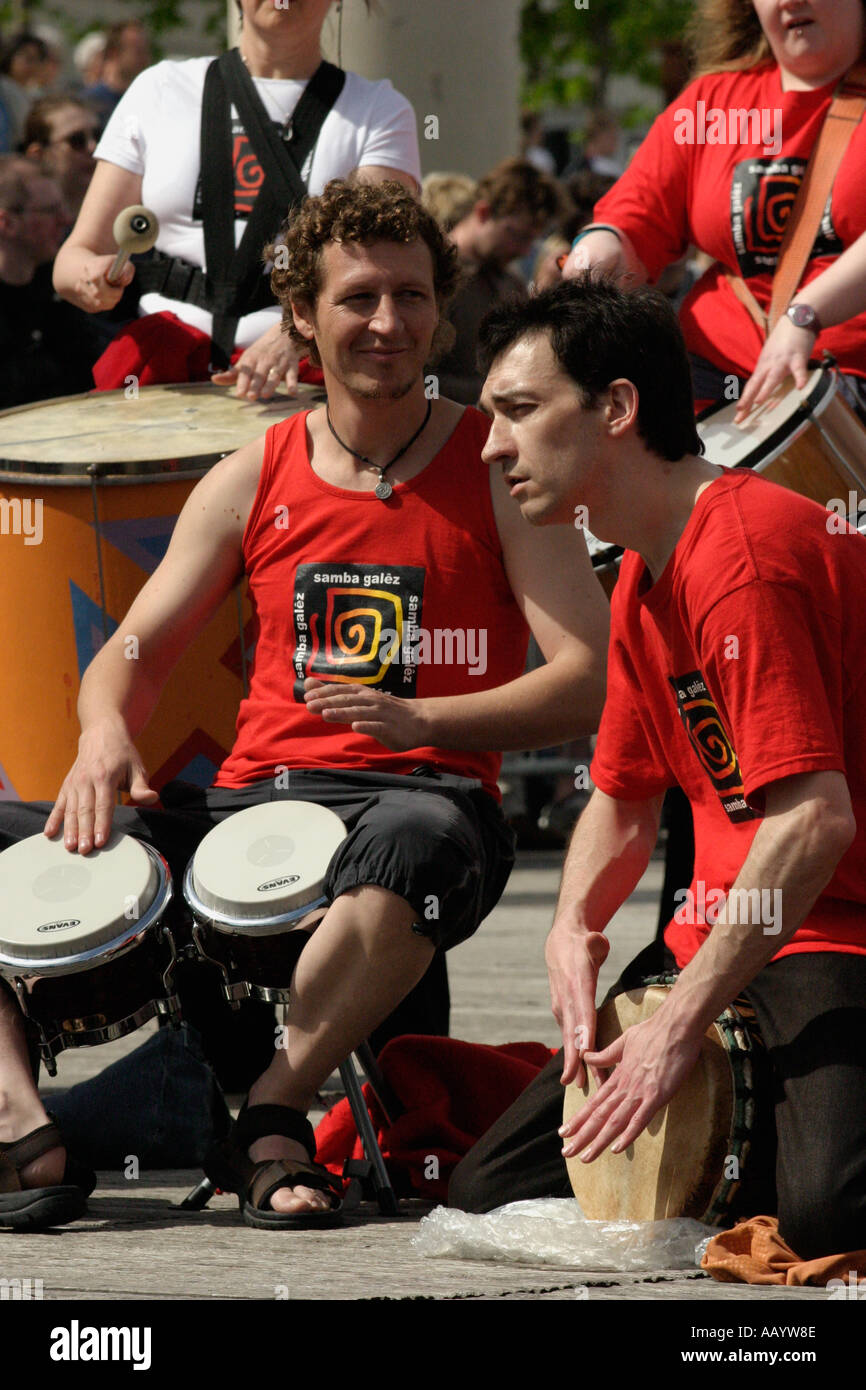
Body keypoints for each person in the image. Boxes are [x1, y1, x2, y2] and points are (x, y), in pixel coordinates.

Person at [0, 181, 609, 1232]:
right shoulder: (251, 471)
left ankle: (271, 1112)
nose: (388, 322)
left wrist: (423, 726)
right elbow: (131, 653)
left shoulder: (497, 464)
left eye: (411, 297)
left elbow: (586, 674)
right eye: (358, 297)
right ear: (300, 316)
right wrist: (104, 733)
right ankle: (24, 1126)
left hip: (420, 805)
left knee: (413, 840)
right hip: (251, 812)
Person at [449, 276, 866, 1264]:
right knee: (485, 1190)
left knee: (825, 1218)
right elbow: (622, 794)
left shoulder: (745, 556)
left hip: (827, 930)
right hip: (720, 939)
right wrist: (570, 926)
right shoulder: (639, 566)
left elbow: (814, 821)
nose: (490, 445)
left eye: (516, 411)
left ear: (618, 408)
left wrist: (680, 1020)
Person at [53, 0, 420, 401]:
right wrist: (91, 277)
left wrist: (295, 333)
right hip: (165, 370)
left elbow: (379, 267)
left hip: (304, 376)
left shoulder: (378, 111)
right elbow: (75, 256)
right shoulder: (157, 89)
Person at [560, 0, 866, 419]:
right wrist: (593, 259)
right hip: (712, 376)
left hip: (850, 377)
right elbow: (634, 216)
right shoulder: (712, 101)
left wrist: (804, 315)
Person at [436, 158, 561, 405]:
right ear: (484, 212)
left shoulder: (509, 283)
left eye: (531, 240)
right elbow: (419, 377)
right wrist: (496, 392)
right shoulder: (432, 274)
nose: (525, 251)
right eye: (517, 235)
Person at [0, 155, 102, 409]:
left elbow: (90, 374)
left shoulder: (54, 288)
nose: (66, 219)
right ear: (7, 223)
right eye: (51, 211)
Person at [24, 95, 100, 222]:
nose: (93, 147)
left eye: (98, 136)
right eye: (77, 140)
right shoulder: (26, 225)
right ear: (38, 155)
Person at [82, 21, 151, 127]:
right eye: (137, 51)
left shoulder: (147, 100)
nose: (145, 58)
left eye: (146, 50)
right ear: (114, 53)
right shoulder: (91, 102)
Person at [0, 31, 48, 153]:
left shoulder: (32, 92)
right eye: (27, 58)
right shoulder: (5, 88)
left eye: (37, 59)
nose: (32, 64)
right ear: (10, 55)